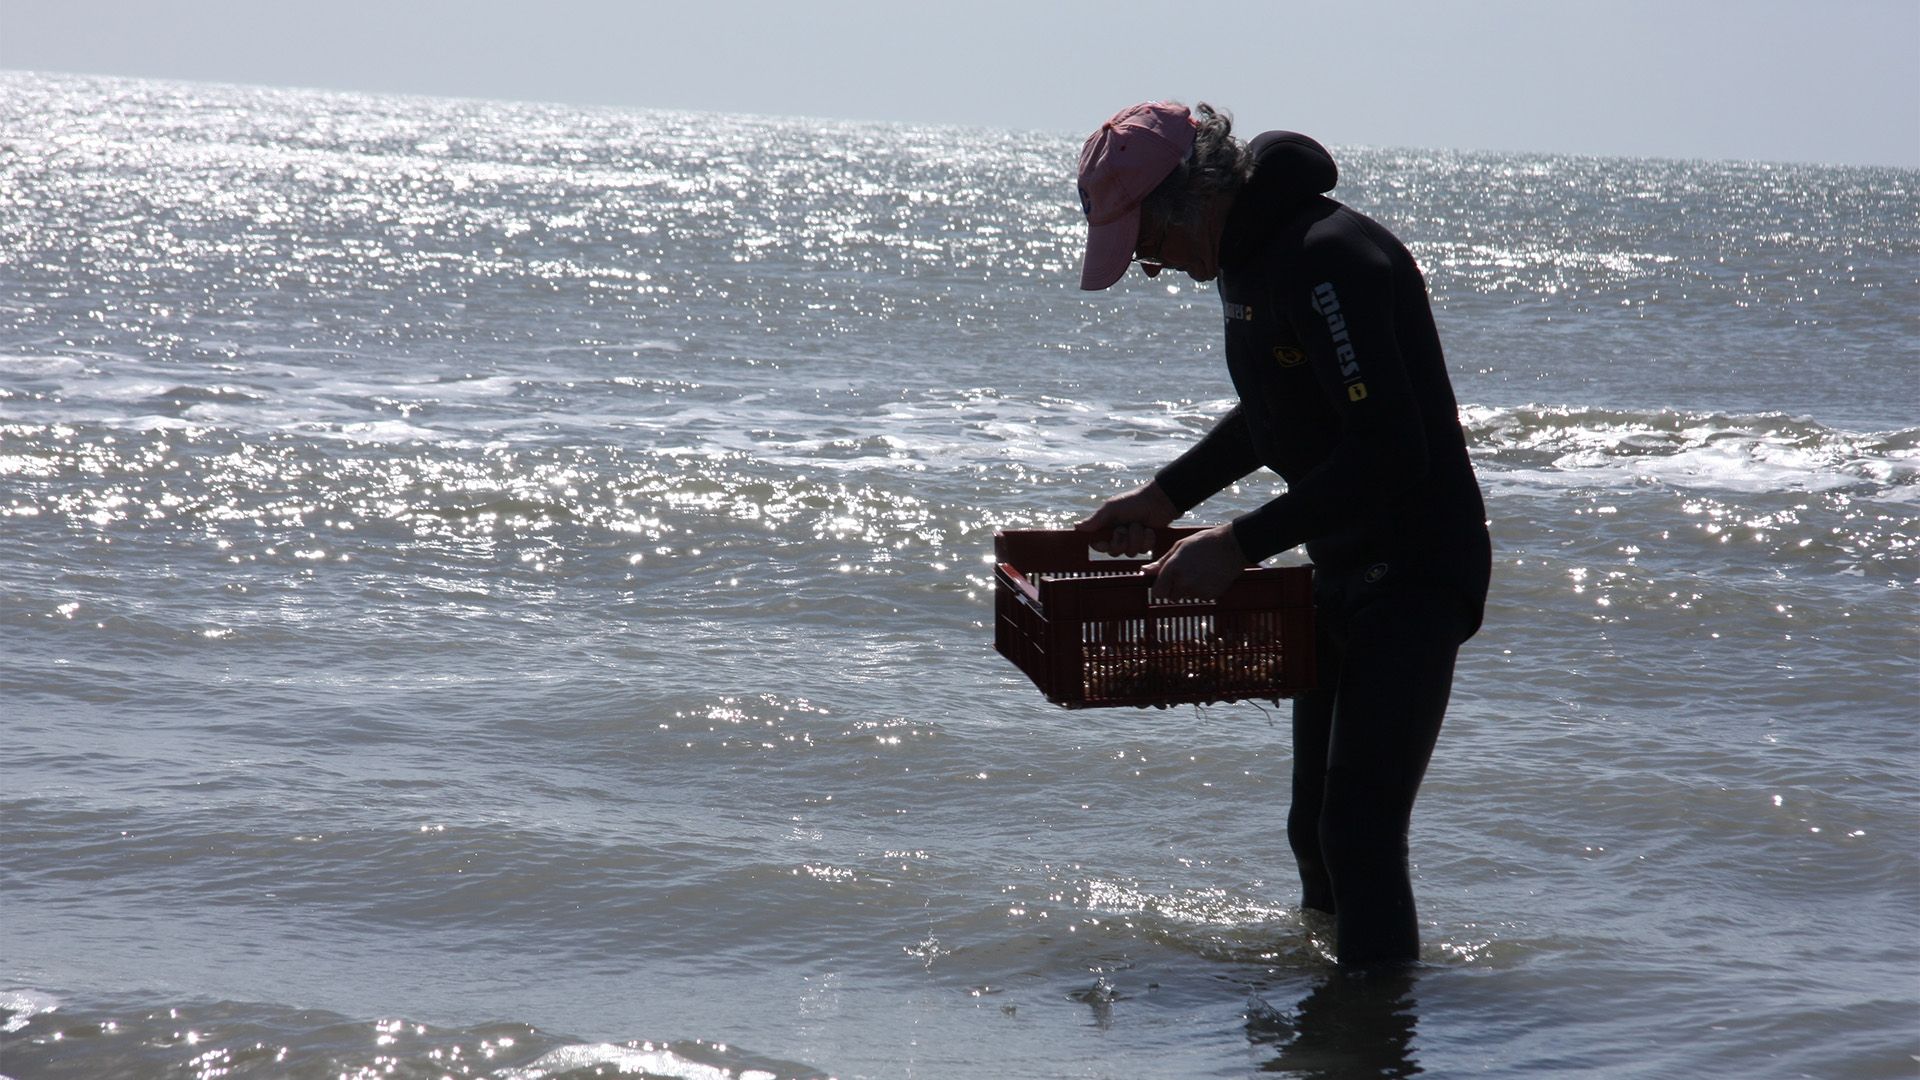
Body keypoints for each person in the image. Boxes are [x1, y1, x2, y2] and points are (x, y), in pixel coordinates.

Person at [1071, 101, 1491, 967]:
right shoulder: (1248, 262)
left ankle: (1377, 1032)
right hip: (1340, 561)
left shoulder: (1327, 260)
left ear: (1188, 199)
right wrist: (1165, 495)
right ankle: (1334, 1028)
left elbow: (1392, 448)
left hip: (1416, 572)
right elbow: (1276, 411)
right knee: (1314, 830)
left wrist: (1238, 544)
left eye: (1142, 240)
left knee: (1360, 832)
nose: (1146, 264)